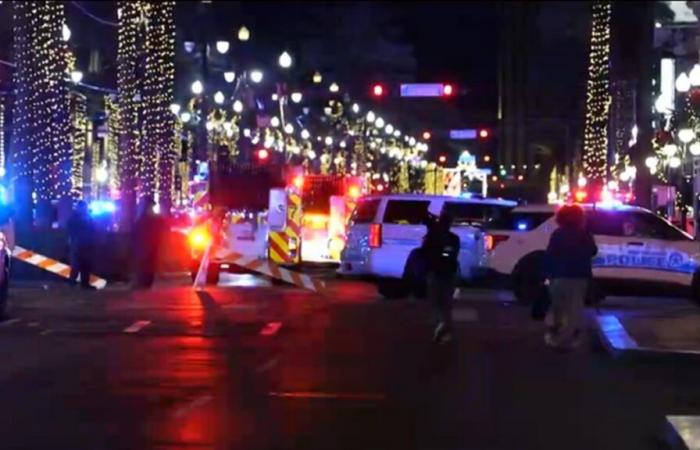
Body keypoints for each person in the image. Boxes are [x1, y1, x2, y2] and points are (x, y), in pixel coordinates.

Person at [544, 204, 598, 349]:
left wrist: (547, 274)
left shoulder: (558, 233)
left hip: (559, 275)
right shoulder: (584, 234)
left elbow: (550, 255)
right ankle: (571, 337)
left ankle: (555, 332)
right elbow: (592, 251)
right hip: (578, 275)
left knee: (558, 307)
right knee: (575, 308)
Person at [422, 211, 460, 344]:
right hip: (444, 273)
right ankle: (443, 330)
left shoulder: (433, 237)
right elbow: (451, 254)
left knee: (438, 304)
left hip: (438, 273)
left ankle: (441, 330)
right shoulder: (451, 238)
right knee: (445, 304)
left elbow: (425, 253)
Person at [133, 197, 167, 288]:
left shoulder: (145, 218)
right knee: (146, 266)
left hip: (149, 246)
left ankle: (145, 282)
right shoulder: (148, 218)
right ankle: (144, 282)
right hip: (147, 246)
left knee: (147, 266)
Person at [66, 200, 96, 289]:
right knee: (77, 264)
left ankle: (82, 283)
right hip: (79, 243)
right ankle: (75, 283)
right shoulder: (79, 217)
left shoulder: (78, 217)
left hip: (83, 243)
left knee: (84, 264)